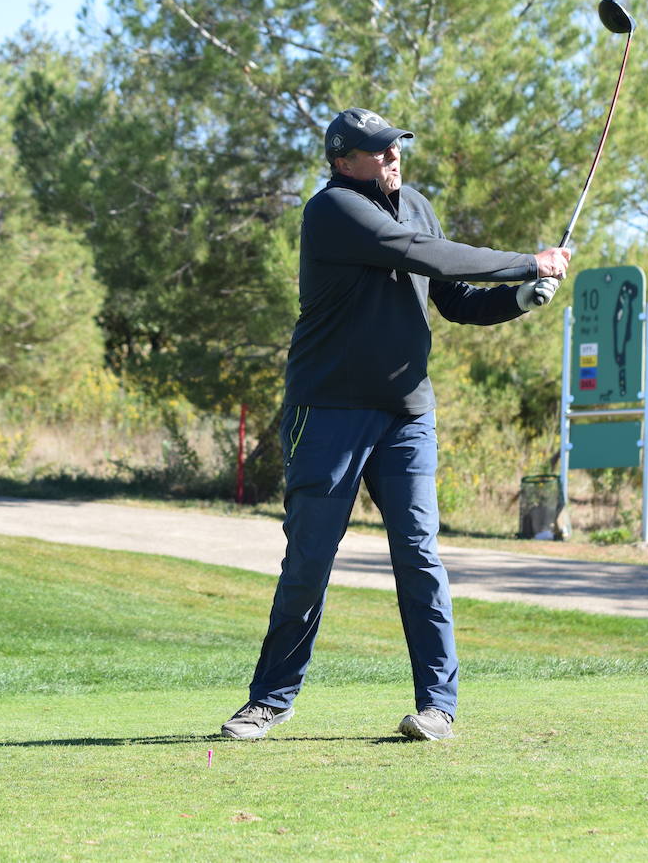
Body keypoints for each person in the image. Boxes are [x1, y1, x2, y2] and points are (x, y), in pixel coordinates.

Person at [221, 108, 570, 742]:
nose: (391, 158)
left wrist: (519, 297)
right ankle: (270, 699)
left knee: (419, 553)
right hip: (326, 410)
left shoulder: (418, 205)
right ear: (342, 161)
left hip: (406, 413)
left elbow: (452, 297)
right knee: (309, 560)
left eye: (394, 148)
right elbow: (417, 252)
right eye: (377, 151)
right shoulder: (332, 211)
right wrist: (528, 261)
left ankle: (438, 705)